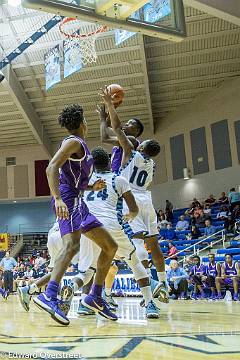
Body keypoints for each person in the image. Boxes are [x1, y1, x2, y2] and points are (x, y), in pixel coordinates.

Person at [32, 104, 118, 325]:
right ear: (82, 124)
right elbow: (51, 168)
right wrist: (58, 198)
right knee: (72, 246)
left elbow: (73, 177)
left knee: (110, 247)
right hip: (68, 200)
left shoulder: (80, 146)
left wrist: (91, 187)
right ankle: (49, 294)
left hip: (79, 201)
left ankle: (95, 297)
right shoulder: (73, 142)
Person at [63, 147, 161, 318]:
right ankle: (150, 304)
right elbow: (133, 209)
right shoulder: (119, 179)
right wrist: (129, 216)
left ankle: (73, 288)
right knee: (134, 262)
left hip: (88, 228)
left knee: (87, 271)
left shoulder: (87, 181)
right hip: (111, 225)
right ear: (109, 162)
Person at [101, 86, 169, 304]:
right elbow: (106, 134)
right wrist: (105, 116)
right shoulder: (150, 162)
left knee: (136, 245)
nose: (127, 125)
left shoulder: (133, 147)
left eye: (132, 124)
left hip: (129, 197)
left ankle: (147, 292)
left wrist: (110, 106)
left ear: (140, 139)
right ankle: (162, 282)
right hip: (143, 197)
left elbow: (118, 128)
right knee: (152, 243)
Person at [99, 103, 144, 174]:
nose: (126, 124)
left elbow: (105, 138)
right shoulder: (122, 140)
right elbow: (107, 129)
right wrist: (111, 110)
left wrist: (103, 119)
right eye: (127, 122)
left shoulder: (133, 140)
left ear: (136, 130)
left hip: (125, 178)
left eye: (130, 123)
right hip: (116, 177)